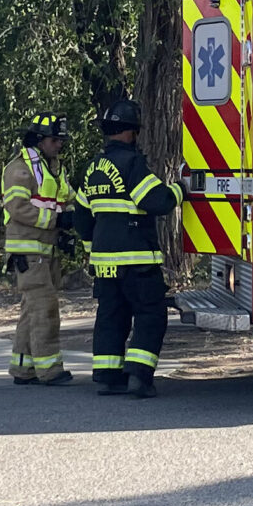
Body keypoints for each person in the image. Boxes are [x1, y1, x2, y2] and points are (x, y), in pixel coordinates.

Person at [81, 98, 177, 398]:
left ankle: (108, 378)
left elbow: (83, 218)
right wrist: (179, 190)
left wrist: (94, 251)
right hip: (136, 261)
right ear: (130, 132)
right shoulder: (131, 163)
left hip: (104, 264)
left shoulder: (93, 167)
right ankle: (139, 376)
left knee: (111, 316)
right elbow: (156, 201)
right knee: (151, 315)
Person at [0, 114, 77, 385]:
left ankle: (23, 368)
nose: (59, 145)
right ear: (39, 139)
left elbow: (67, 199)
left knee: (31, 310)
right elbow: (18, 208)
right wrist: (57, 220)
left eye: (61, 140)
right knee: (45, 309)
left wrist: (71, 221)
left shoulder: (52, 167)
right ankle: (49, 370)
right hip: (29, 253)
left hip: (47, 250)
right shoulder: (19, 169)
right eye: (55, 140)